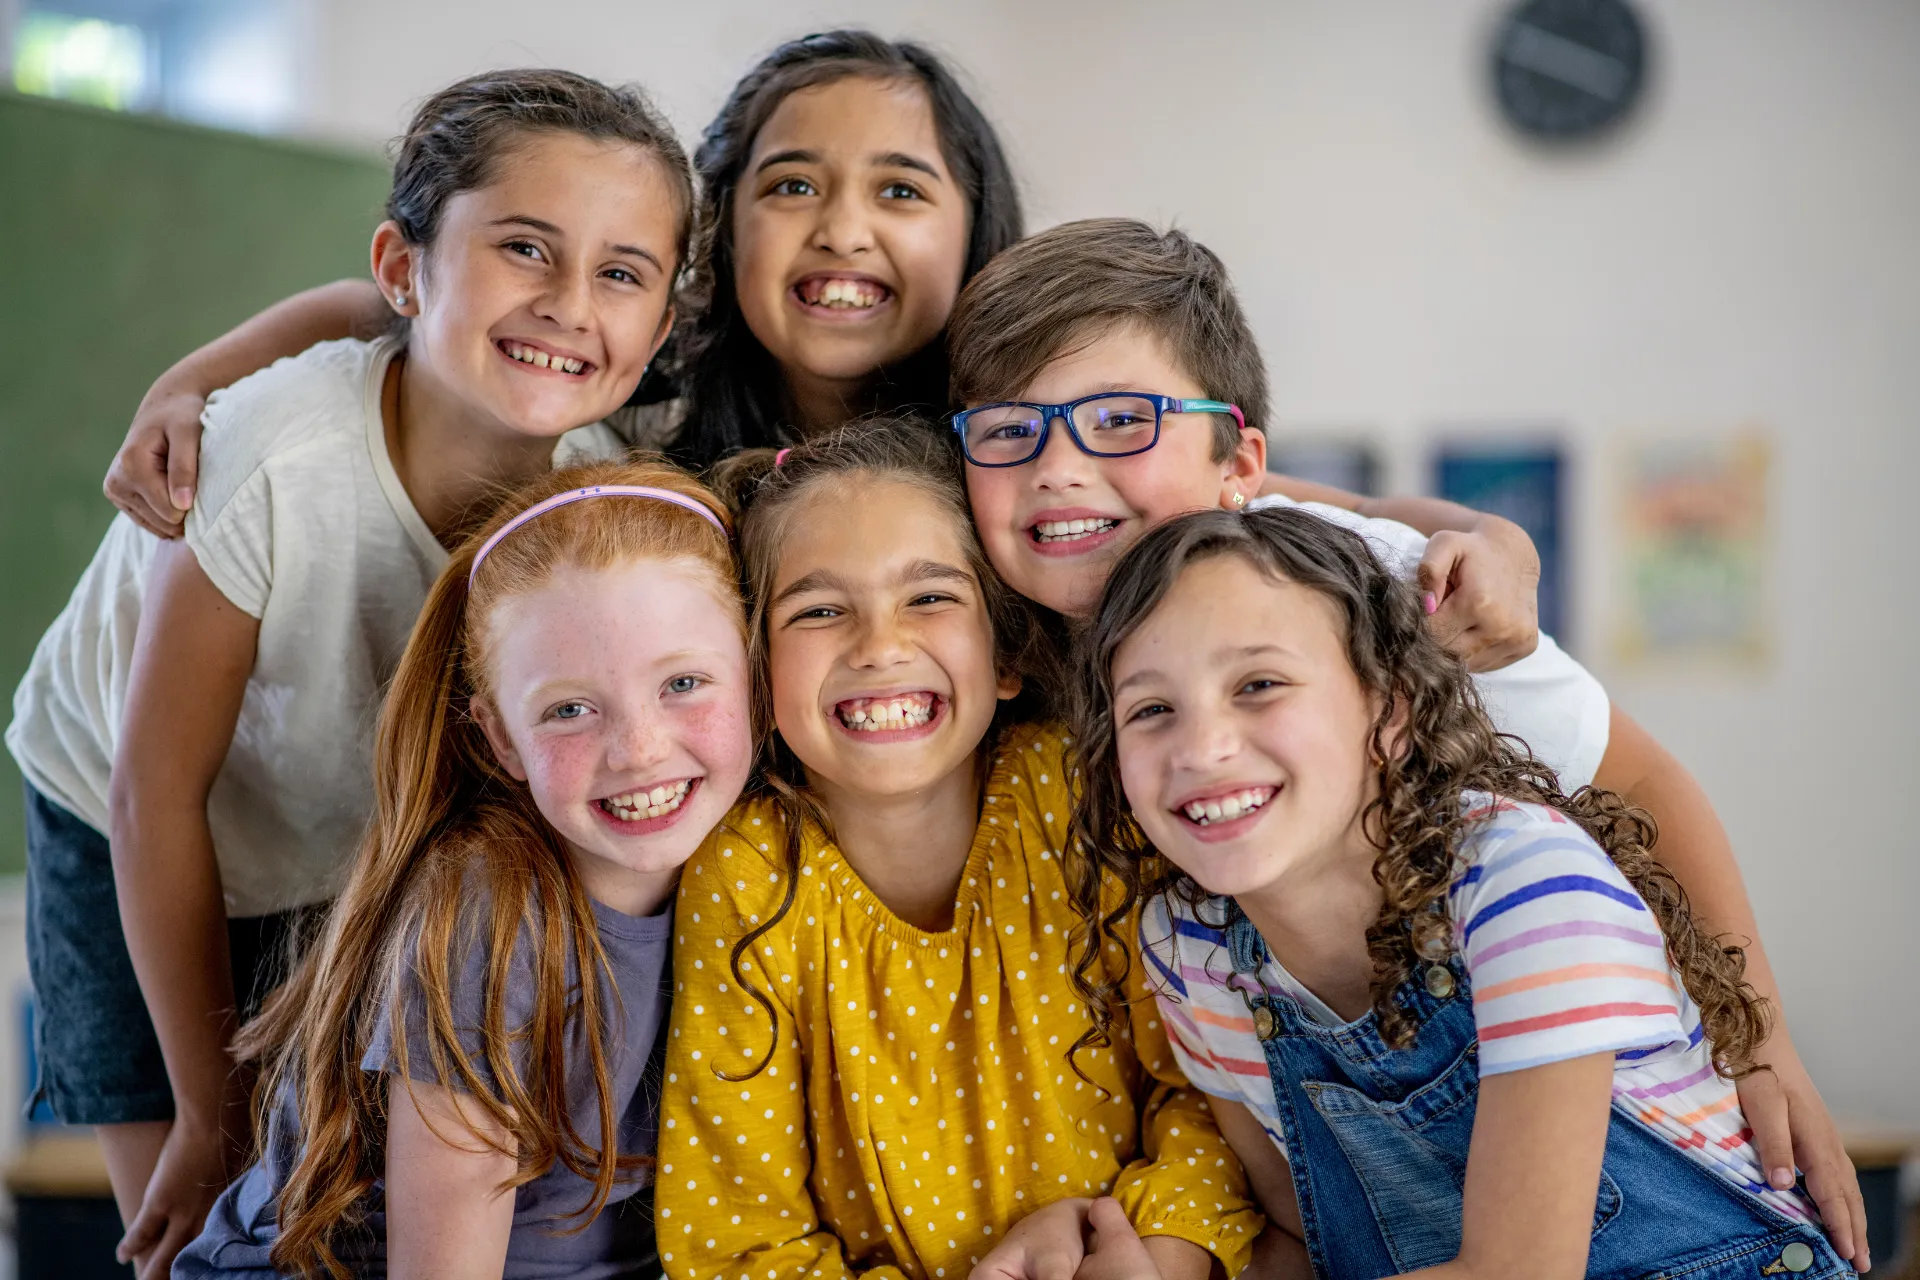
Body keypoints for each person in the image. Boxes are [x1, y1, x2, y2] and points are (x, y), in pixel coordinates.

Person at [944, 217, 1866, 1265]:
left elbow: (1640, 776)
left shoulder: (1391, 594)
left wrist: (1761, 1037)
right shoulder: (984, 637)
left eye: (1120, 419)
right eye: (1011, 430)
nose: (1060, 468)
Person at [5, 69, 692, 1278]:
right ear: (406, 266)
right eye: (525, 247)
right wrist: (208, 1111)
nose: (572, 303)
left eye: (623, 272)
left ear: (661, 324)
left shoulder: (593, 478)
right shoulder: (273, 456)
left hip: (331, 829)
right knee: (188, 1209)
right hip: (124, 809)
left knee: (317, 1208)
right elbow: (151, 795)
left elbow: (358, 299)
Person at [1058, 505, 1855, 1278]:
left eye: (1260, 684)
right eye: (1152, 709)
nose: (1203, 746)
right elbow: (1301, 1241)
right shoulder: (1189, 947)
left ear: (1391, 710)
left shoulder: (1519, 880)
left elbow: (1517, 1271)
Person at [654, 422, 1262, 1280]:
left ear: (1006, 652)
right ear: (757, 673)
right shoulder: (747, 878)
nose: (881, 645)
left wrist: (1161, 1257)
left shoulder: (1076, 797)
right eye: (820, 612)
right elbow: (736, 1243)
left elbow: (1203, 1090)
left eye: (930, 598)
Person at [175, 461, 754, 1278]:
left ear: (756, 674)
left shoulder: (761, 872)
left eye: (684, 684)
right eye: (570, 710)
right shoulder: (489, 915)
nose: (640, 748)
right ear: (500, 740)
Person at [98, 29, 1023, 536]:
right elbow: (382, 307)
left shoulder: (1013, 438)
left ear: (975, 228)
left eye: (900, 189)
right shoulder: (639, 412)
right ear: (723, 231)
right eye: (790, 185)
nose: (842, 228)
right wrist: (188, 387)